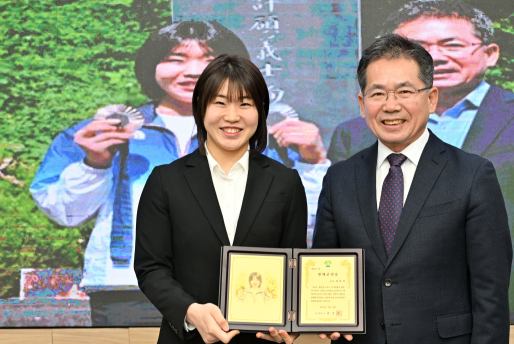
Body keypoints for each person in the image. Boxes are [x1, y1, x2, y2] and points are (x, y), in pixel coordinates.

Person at [327, 0, 514, 323]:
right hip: (406, 312)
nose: (435, 57)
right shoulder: (357, 134)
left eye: (452, 44)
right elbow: (346, 230)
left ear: (490, 53)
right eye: (417, 48)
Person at [29, 20, 324, 325]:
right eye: (175, 59)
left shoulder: (271, 135)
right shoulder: (102, 133)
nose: (194, 70)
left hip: (237, 287)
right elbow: (65, 213)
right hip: (131, 288)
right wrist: (95, 163)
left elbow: (302, 220)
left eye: (209, 59)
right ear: (150, 66)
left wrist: (312, 162)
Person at [313, 34, 512, 344]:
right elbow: (324, 265)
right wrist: (321, 314)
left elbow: (491, 284)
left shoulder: (472, 175)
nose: (391, 106)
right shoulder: (340, 177)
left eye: (405, 91)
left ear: (431, 98)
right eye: (378, 93)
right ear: (361, 103)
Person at [134, 54, 307, 344]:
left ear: (261, 111)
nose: (232, 116)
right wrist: (191, 312)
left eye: (245, 103)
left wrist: (291, 320)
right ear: (201, 108)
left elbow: (296, 267)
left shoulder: (285, 182)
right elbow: (151, 268)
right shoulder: (166, 181)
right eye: (220, 102)